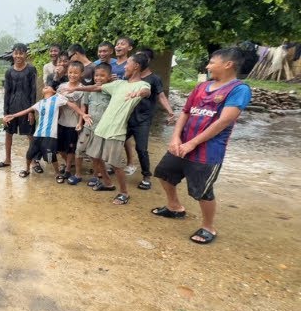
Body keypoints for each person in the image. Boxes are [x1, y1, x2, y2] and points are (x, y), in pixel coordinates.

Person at [151, 48, 251, 245]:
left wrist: (193, 143)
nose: (207, 66)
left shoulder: (239, 89)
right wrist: (175, 138)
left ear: (228, 64)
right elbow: (186, 112)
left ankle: (208, 227)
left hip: (208, 151)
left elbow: (223, 122)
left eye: (212, 62)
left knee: (202, 191)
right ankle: (174, 207)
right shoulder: (201, 87)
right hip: (182, 144)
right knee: (163, 173)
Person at [66, 52, 152, 204]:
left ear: (136, 66)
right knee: (94, 155)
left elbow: (147, 91)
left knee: (115, 164)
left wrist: (139, 93)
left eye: (128, 64)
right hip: (102, 128)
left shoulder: (142, 84)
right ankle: (107, 183)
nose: (125, 66)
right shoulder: (119, 84)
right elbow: (97, 87)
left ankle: (124, 193)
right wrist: (77, 90)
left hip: (116, 130)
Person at [3, 84, 88, 178]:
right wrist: (13, 116)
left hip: (50, 135)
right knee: (30, 153)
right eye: (44, 87)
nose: (46, 86)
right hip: (38, 134)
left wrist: (83, 114)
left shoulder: (57, 98)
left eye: (49, 86)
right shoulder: (40, 103)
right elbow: (27, 110)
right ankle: (27, 169)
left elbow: (72, 105)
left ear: (53, 91)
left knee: (50, 156)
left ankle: (57, 173)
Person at [127, 48, 177, 191]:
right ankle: (119, 167)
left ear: (146, 61)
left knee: (141, 148)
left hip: (143, 119)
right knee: (116, 139)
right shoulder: (129, 77)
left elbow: (161, 96)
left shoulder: (154, 79)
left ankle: (146, 176)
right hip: (128, 117)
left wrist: (170, 112)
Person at [0, 43, 39, 171]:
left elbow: (33, 91)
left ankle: (33, 161)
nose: (18, 56)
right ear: (13, 54)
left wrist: (32, 111)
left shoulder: (31, 70)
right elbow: (7, 93)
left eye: (21, 53)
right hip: (12, 107)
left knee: (30, 135)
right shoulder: (9, 72)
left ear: (25, 54)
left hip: (26, 108)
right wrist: (5, 113)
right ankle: (7, 159)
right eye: (16, 53)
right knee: (8, 134)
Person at [75, 62, 115, 187]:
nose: (98, 78)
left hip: (101, 129)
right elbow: (83, 106)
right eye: (96, 76)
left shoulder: (111, 92)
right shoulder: (89, 90)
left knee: (96, 154)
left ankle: (95, 176)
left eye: (102, 76)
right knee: (79, 150)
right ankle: (77, 174)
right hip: (88, 126)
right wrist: (81, 120)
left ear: (109, 77)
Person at [55, 62, 89, 182]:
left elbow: (83, 107)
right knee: (59, 148)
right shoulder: (61, 87)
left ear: (81, 74)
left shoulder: (82, 89)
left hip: (73, 124)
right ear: (66, 72)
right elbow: (56, 104)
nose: (72, 75)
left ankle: (68, 169)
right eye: (70, 72)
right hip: (61, 122)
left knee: (71, 148)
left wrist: (80, 122)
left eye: (75, 73)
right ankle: (70, 163)